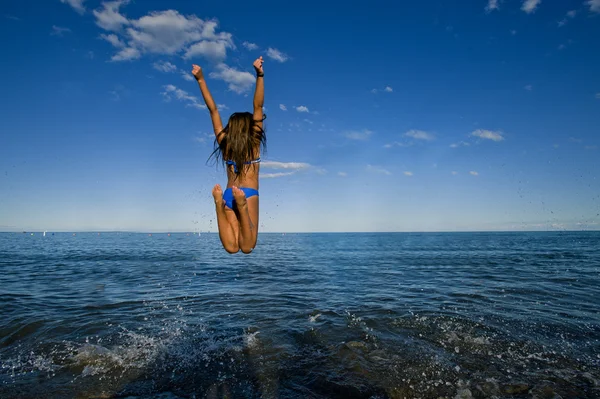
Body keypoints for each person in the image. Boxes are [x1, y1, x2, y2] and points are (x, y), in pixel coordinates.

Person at [192, 57, 266, 254]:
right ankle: (241, 207)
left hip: (227, 193)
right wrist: (259, 75)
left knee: (232, 249)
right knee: (247, 247)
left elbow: (213, 110)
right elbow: (258, 107)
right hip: (247, 195)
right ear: (249, 127)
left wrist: (200, 80)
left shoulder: (225, 144)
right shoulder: (254, 144)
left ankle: (218, 205)